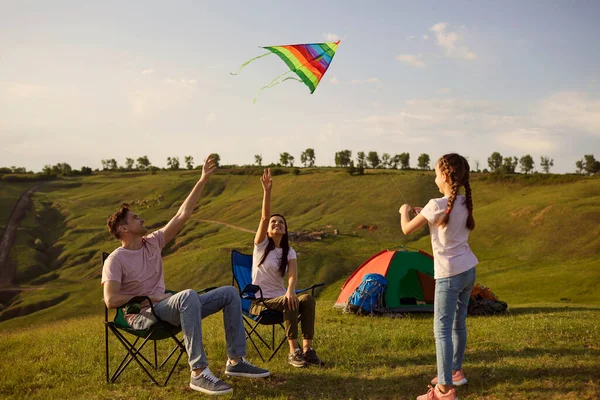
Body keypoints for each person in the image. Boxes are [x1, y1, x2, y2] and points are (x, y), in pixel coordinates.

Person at [102, 155, 269, 396]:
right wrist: (149, 296)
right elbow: (111, 300)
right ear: (123, 229)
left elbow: (182, 214)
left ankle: (235, 362)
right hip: (143, 315)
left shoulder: (153, 243)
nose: (142, 219)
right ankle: (199, 373)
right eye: (136, 218)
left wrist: (202, 179)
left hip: (166, 307)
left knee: (230, 293)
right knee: (187, 296)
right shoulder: (115, 260)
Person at [399, 153, 478, 400]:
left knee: (441, 329)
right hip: (468, 270)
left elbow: (406, 229)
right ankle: (455, 372)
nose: (434, 177)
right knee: (458, 323)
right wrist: (427, 213)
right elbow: (447, 216)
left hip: (449, 274)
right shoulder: (463, 202)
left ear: (444, 176)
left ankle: (443, 391)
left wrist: (404, 211)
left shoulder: (436, 205)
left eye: (435, 173)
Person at [250, 168, 324, 368]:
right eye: (274, 222)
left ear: (285, 230)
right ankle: (293, 351)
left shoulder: (288, 252)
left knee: (306, 299)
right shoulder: (261, 246)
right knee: (289, 301)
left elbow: (293, 275)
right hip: (261, 301)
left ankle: (307, 349)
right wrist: (267, 191)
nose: (277, 224)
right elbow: (264, 218)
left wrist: (290, 290)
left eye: (281, 223)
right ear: (268, 230)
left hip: (281, 296)